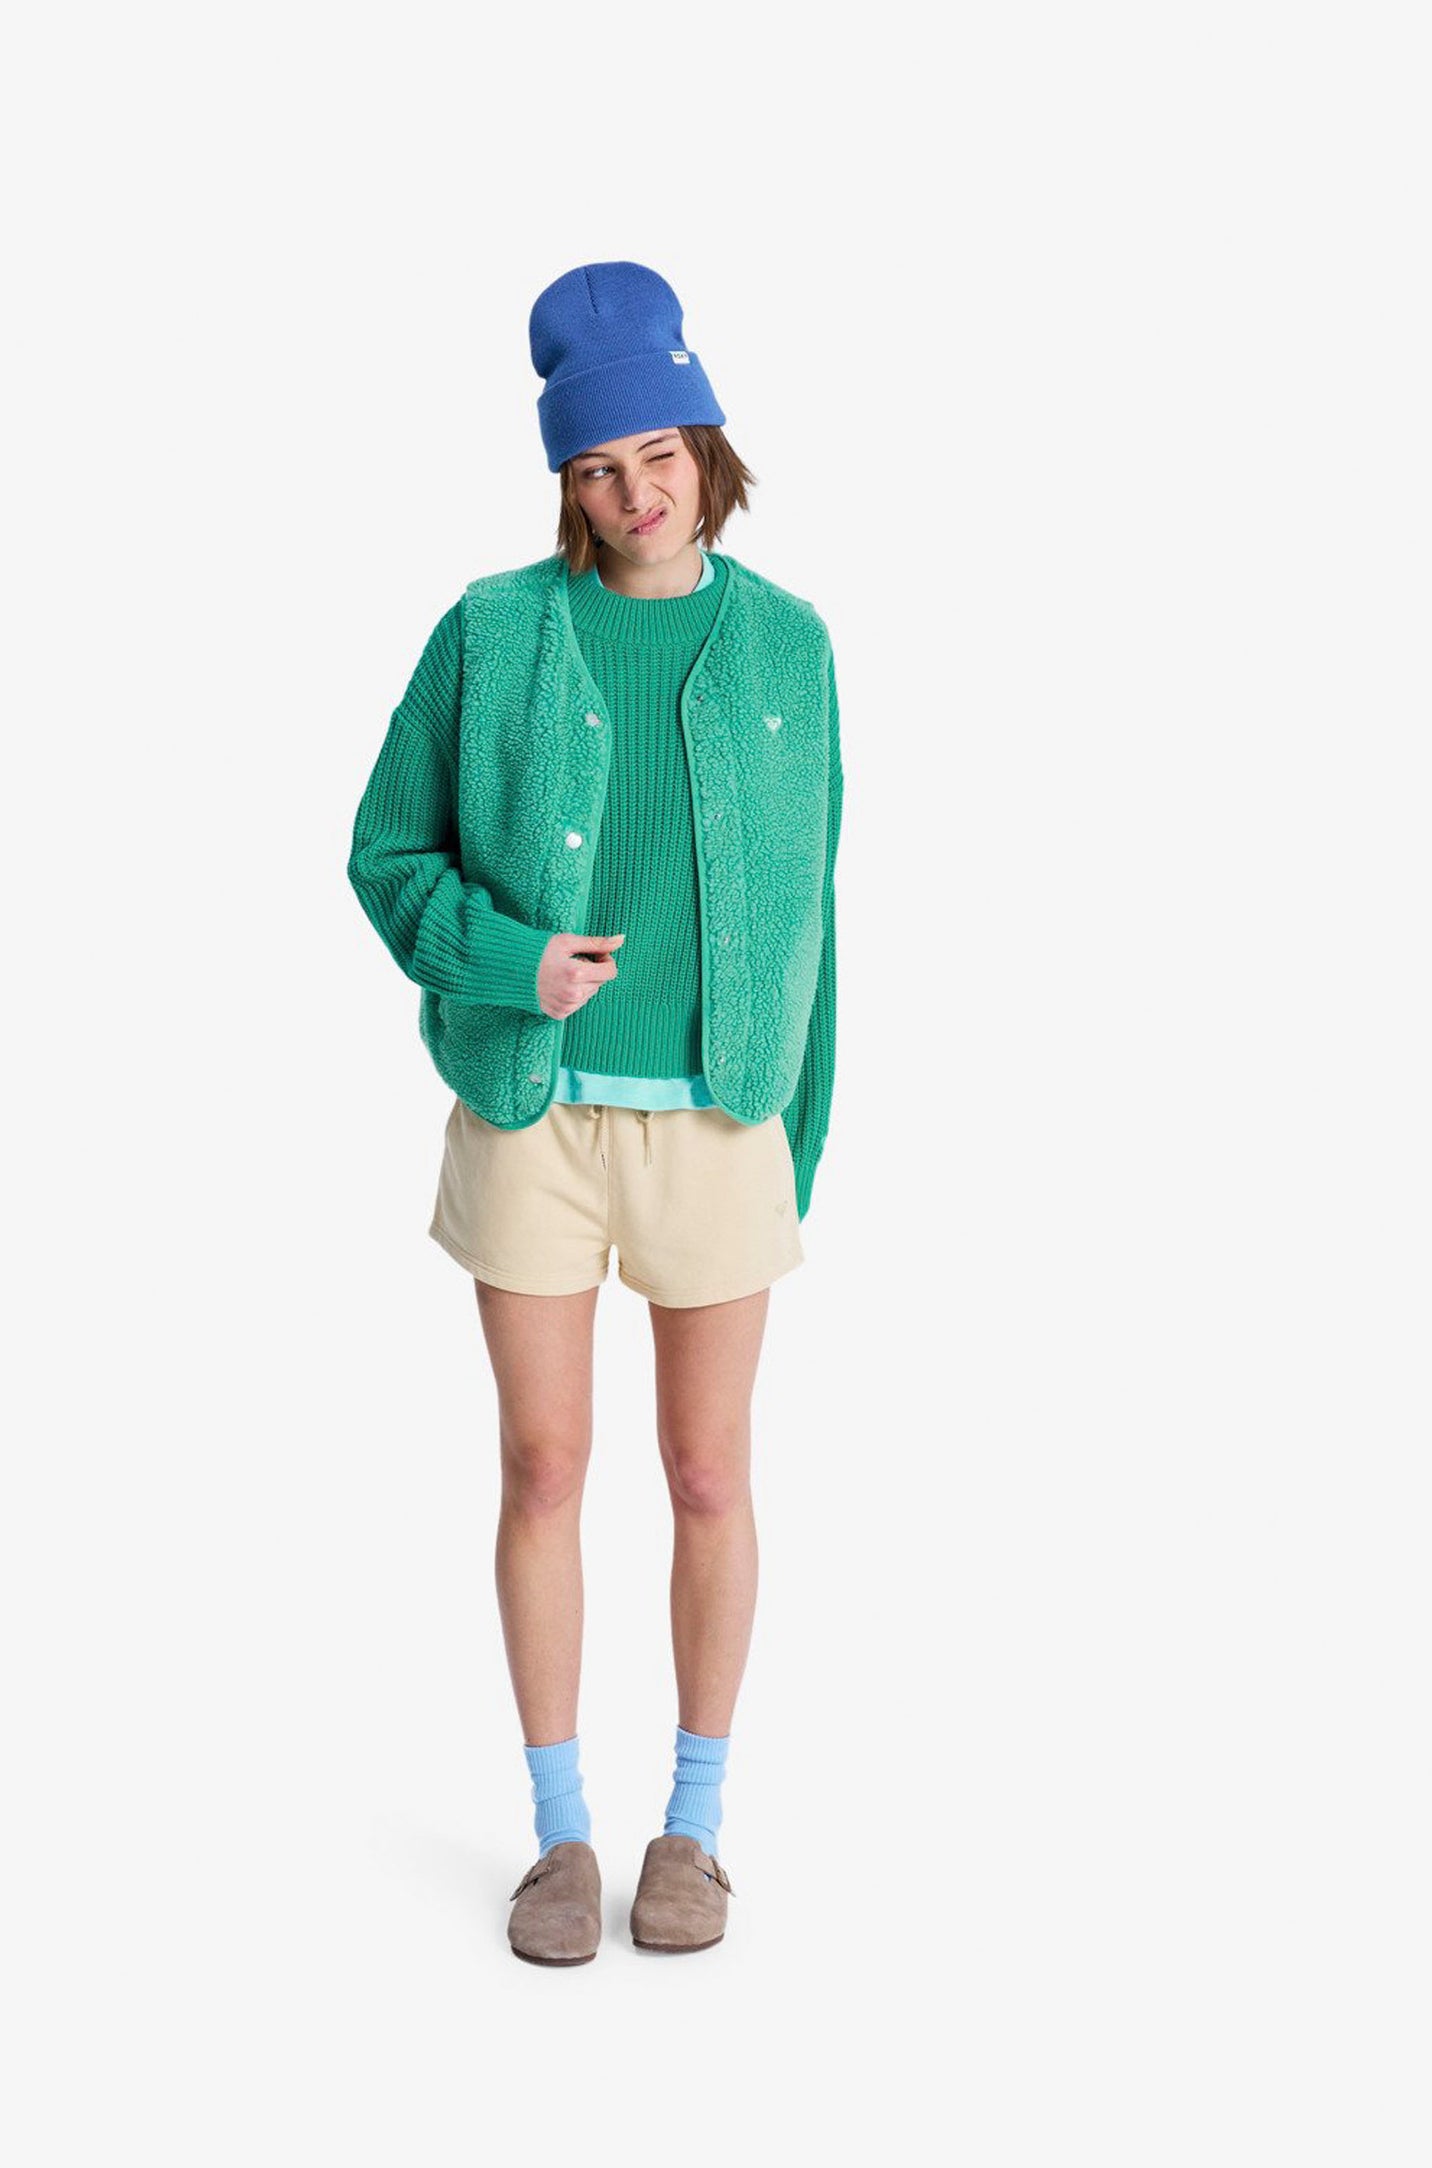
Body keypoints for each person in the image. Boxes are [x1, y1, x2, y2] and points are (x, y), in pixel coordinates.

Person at [347, 260, 845, 1964]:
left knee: (708, 1471)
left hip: (721, 1127)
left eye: (660, 455)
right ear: (563, 481)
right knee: (543, 1464)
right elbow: (385, 853)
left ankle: (691, 1831)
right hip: (531, 1116)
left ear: (708, 453)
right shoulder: (490, 633)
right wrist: (510, 963)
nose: (637, 493)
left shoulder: (787, 644)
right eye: (597, 467)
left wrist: (795, 1139)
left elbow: (814, 916)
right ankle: (559, 1838)